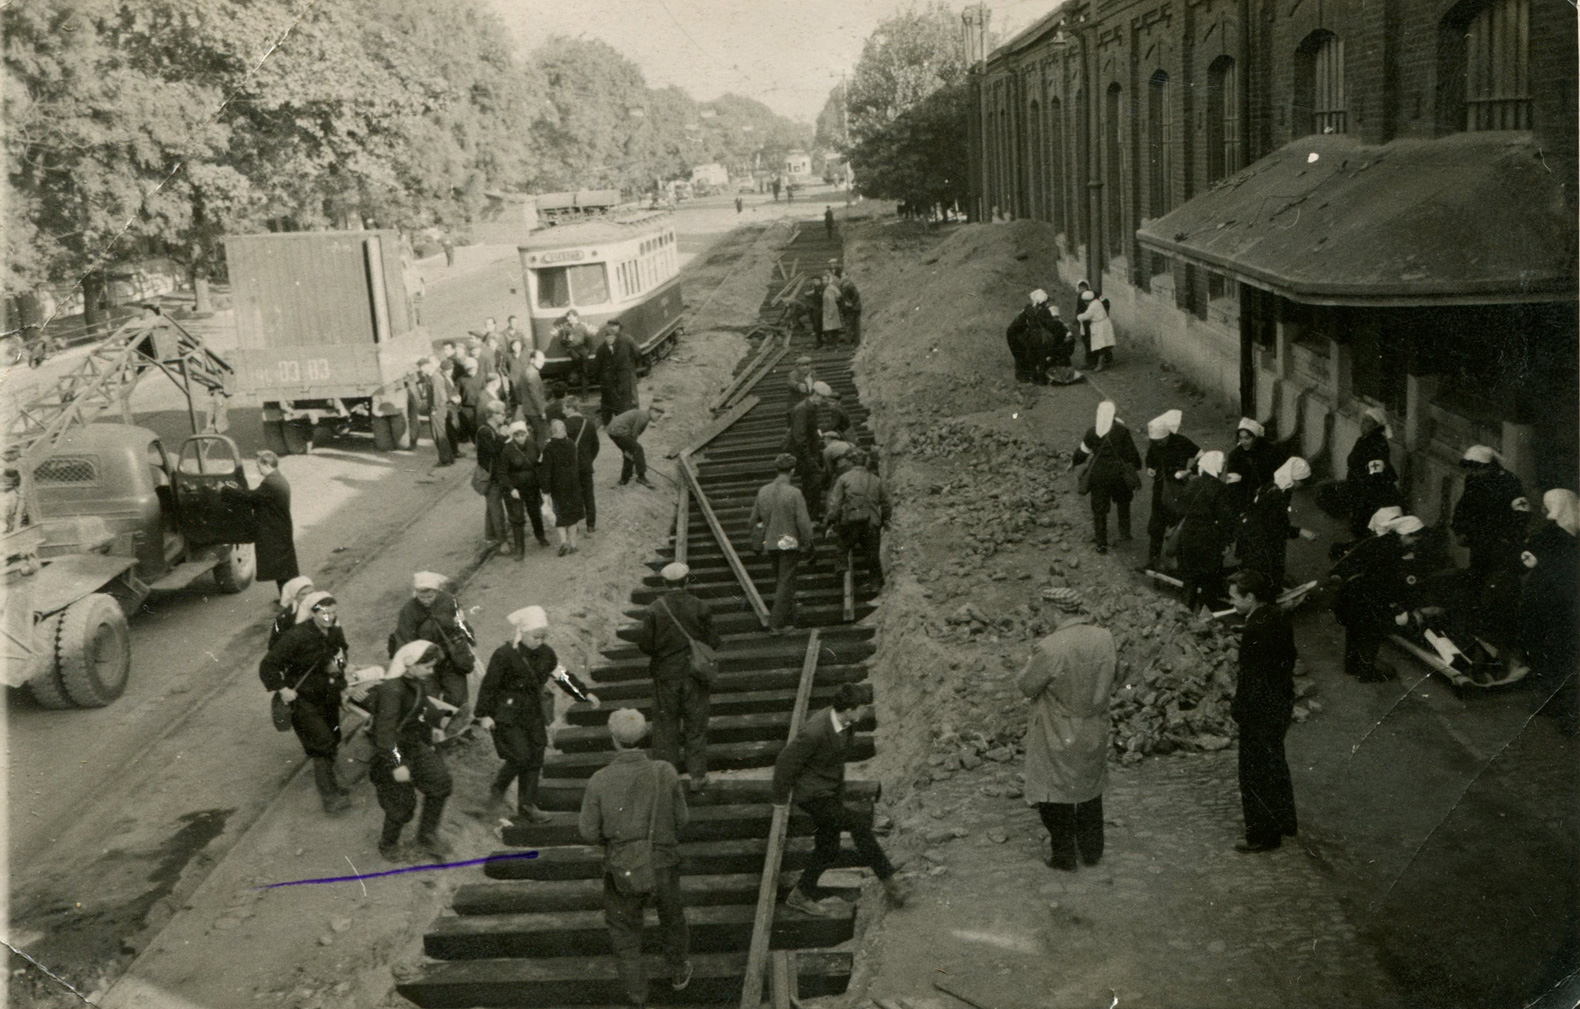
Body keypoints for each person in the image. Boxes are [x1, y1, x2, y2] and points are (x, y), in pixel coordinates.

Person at [579, 709, 694, 1002]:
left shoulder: (599, 780)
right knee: (672, 917)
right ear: (644, 736)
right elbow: (682, 819)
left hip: (623, 868)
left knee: (624, 932)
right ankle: (679, 970)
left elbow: (589, 833)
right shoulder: (665, 771)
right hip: (663, 864)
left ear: (614, 739)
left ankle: (637, 995)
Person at [773, 683, 907, 915]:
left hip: (830, 791)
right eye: (862, 708)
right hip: (812, 795)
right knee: (858, 824)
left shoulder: (847, 722)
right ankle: (891, 884)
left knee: (828, 849)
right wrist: (780, 799)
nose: (865, 712)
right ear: (849, 709)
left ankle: (800, 895)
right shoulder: (815, 730)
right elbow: (785, 762)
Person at [1020, 587, 1115, 870]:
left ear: (1057, 610)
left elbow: (1027, 685)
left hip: (1057, 728)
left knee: (1054, 793)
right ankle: (1091, 850)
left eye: (1046, 610)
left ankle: (1064, 856)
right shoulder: (1104, 638)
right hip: (1093, 725)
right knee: (1089, 789)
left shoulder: (1051, 647)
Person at [477, 605, 593, 822]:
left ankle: (527, 806)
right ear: (522, 633)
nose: (539, 641)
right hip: (507, 713)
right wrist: (484, 714)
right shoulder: (504, 655)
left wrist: (583, 694)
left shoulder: (546, 653)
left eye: (543, 637)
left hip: (532, 712)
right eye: (535, 637)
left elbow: (562, 676)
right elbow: (489, 685)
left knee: (536, 755)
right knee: (520, 755)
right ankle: (499, 788)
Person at [259, 591, 351, 814]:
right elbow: (268, 665)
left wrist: (337, 665)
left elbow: (342, 652)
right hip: (303, 699)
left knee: (332, 738)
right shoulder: (297, 636)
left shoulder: (334, 631)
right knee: (322, 743)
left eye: (333, 612)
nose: (329, 617)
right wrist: (282, 689)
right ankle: (329, 798)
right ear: (312, 613)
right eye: (324, 613)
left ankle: (334, 786)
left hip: (327, 695)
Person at [1228, 570, 1299, 853]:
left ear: (1250, 597)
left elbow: (1251, 678)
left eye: (1235, 597)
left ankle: (1262, 834)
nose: (1231, 602)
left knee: (1254, 772)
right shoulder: (1276, 616)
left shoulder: (1255, 629)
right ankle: (1285, 821)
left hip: (1259, 710)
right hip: (1280, 702)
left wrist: (1239, 708)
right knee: (1275, 763)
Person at [635, 563, 722, 791]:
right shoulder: (700, 606)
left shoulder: (654, 609)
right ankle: (697, 776)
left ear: (665, 583)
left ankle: (667, 778)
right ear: (687, 581)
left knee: (665, 727)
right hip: (695, 675)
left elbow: (645, 645)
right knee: (696, 724)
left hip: (666, 676)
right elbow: (713, 642)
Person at [370, 641, 454, 860]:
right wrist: (397, 764)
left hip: (414, 745)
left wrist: (440, 722)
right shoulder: (392, 690)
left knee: (440, 783)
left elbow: (422, 706)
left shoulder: (415, 681)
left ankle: (426, 835)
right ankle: (388, 844)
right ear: (410, 664)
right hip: (393, 753)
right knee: (401, 806)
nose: (431, 671)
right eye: (427, 666)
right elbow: (385, 734)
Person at [1451, 446, 1528, 646]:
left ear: (1490, 467)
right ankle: (1476, 632)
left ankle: (1499, 636)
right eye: (1471, 469)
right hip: (1479, 544)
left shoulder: (1509, 483)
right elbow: (1463, 507)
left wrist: (1508, 539)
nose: (1474, 473)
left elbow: (1521, 515)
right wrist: (1459, 530)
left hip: (1500, 546)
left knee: (1498, 589)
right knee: (1476, 581)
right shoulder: (1473, 481)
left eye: (1478, 469)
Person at [1330, 512, 1419, 682]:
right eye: (1414, 539)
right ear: (1406, 536)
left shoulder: (1378, 542)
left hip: (1353, 592)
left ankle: (1352, 665)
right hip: (1369, 595)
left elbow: (1350, 561)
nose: (1415, 543)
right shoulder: (1393, 551)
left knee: (1355, 630)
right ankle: (1367, 671)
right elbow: (1389, 581)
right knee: (1371, 632)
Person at [1519, 490, 1578, 733]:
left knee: (1547, 650)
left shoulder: (1546, 535)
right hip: (1564, 601)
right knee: (1562, 652)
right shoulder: (1572, 536)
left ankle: (1554, 702)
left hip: (1543, 599)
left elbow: (1526, 563)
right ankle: (1562, 706)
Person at [391, 571, 477, 712]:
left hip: (451, 658)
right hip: (425, 662)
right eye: (421, 597)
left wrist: (470, 639)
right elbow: (405, 639)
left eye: (429, 596)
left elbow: (461, 622)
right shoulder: (408, 611)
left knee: (458, 699)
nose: (425, 600)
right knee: (430, 700)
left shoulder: (449, 601)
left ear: (437, 592)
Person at [750, 454, 816, 632]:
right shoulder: (794, 493)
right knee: (786, 582)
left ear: (776, 469)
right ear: (792, 471)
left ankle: (788, 617)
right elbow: (803, 522)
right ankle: (776, 624)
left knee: (781, 581)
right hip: (789, 543)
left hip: (771, 543)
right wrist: (808, 542)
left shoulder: (763, 491)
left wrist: (758, 541)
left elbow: (754, 520)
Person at [222, 450, 299, 593]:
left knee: (281, 569)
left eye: (259, 466)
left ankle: (288, 600)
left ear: (267, 464)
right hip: (279, 529)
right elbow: (256, 498)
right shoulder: (277, 479)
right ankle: (286, 598)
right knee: (283, 569)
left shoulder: (271, 483)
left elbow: (250, 498)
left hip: (274, 531)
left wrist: (230, 491)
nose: (258, 470)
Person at [1072, 401, 1141, 555]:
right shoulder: (1122, 431)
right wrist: (1136, 467)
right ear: (1114, 415)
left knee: (1099, 509)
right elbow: (1132, 454)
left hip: (1098, 475)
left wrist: (1073, 462)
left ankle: (1101, 543)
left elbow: (1081, 453)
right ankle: (1124, 533)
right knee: (1123, 502)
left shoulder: (1091, 432)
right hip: (1119, 475)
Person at [1239, 456, 1315, 588]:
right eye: (1301, 481)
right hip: (1263, 542)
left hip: (1253, 536)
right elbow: (1276, 526)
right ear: (1294, 479)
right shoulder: (1278, 496)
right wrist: (1300, 531)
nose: (1302, 484)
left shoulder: (1275, 486)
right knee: (1267, 572)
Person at [1175, 451, 1236, 611]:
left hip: (1188, 535)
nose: (1223, 469)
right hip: (1209, 538)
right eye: (1222, 465)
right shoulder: (1220, 489)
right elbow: (1226, 518)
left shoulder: (1191, 484)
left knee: (1189, 578)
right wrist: (1227, 541)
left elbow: (1179, 509)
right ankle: (1206, 616)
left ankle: (1185, 613)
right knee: (1209, 579)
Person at [1142, 410, 1199, 572]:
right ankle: (1153, 560)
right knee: (1156, 526)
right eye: (1155, 441)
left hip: (1179, 488)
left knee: (1179, 526)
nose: (1158, 444)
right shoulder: (1154, 445)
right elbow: (1150, 459)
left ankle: (1180, 564)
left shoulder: (1181, 442)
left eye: (1161, 441)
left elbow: (1202, 456)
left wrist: (1189, 471)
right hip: (1160, 489)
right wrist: (1150, 468)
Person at [825, 449, 889, 591]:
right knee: (872, 555)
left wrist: (832, 520)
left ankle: (841, 567)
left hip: (851, 521)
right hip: (871, 522)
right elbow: (885, 503)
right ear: (866, 462)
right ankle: (875, 584)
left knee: (843, 545)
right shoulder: (876, 480)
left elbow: (835, 503)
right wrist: (885, 520)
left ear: (851, 462)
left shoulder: (844, 479)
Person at [1344, 408, 1403, 540]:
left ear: (1376, 425)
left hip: (1369, 489)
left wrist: (1362, 490)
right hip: (1359, 486)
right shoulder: (1364, 439)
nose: (1362, 424)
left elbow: (1374, 475)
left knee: (1364, 521)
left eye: (1367, 422)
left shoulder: (1377, 443)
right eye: (1362, 420)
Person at [498, 421, 550, 556]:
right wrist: (511, 488)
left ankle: (541, 537)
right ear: (512, 436)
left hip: (532, 486)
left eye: (522, 435)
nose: (520, 438)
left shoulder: (532, 445)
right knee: (517, 518)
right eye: (517, 436)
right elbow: (502, 473)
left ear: (526, 434)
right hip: (516, 490)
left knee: (535, 513)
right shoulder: (507, 450)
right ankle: (520, 549)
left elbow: (539, 462)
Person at [540, 418, 585, 556]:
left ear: (552, 432)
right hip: (572, 484)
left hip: (557, 486)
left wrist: (545, 490)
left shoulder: (549, 448)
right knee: (573, 515)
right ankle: (573, 544)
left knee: (559, 515)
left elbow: (546, 471)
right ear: (564, 431)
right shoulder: (571, 444)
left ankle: (564, 542)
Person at [786, 384, 826, 521]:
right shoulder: (802, 409)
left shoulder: (810, 408)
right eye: (822, 398)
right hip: (804, 455)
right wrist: (809, 459)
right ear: (815, 395)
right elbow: (800, 438)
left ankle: (807, 517)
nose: (823, 402)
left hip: (810, 453)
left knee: (810, 485)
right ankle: (809, 518)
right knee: (813, 484)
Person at [1225, 418, 1277, 519]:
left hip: (1265, 491)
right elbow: (1233, 484)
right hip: (1244, 493)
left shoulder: (1267, 451)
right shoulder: (1235, 455)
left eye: (1247, 438)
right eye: (1240, 438)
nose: (1243, 442)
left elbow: (1273, 471)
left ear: (1254, 438)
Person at [563, 398, 600, 535]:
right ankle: (591, 525)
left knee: (571, 495)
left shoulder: (564, 425)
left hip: (569, 467)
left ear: (571, 408)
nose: (563, 410)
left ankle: (574, 525)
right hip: (585, 466)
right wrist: (588, 460)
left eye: (565, 408)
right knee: (588, 495)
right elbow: (596, 446)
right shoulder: (588, 424)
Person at [475, 402, 509, 549]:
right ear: (493, 415)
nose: (505, 416)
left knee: (491, 506)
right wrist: (502, 437)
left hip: (496, 474)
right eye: (502, 413)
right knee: (497, 509)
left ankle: (490, 537)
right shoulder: (484, 431)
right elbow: (494, 451)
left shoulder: (493, 429)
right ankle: (503, 542)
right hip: (490, 476)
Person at [597, 321, 640, 425]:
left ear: (619, 327)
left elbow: (637, 353)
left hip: (626, 371)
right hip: (622, 373)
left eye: (614, 326)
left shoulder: (627, 339)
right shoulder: (609, 345)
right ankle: (630, 415)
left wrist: (631, 365)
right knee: (627, 394)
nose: (612, 328)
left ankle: (633, 415)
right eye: (610, 326)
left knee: (631, 393)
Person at [1005, 290, 1051, 383]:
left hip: (1024, 334)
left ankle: (1029, 376)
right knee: (1035, 355)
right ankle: (1034, 378)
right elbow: (1048, 323)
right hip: (1029, 335)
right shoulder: (1041, 310)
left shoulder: (1029, 309)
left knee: (1028, 355)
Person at [421, 358, 457, 466]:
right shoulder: (430, 376)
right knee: (440, 434)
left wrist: (434, 409)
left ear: (428, 365)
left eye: (423, 366)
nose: (421, 369)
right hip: (437, 409)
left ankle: (445, 460)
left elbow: (438, 395)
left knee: (439, 435)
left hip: (437, 409)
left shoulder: (435, 377)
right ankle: (449, 458)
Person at [552, 310, 596, 396]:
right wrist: (568, 340)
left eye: (570, 317)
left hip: (582, 349)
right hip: (572, 349)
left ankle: (584, 396)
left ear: (576, 317)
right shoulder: (566, 327)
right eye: (568, 317)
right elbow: (563, 342)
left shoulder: (582, 327)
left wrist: (587, 350)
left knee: (584, 370)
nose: (568, 319)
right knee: (584, 368)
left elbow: (588, 341)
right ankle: (578, 371)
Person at [608, 406, 653, 488]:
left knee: (629, 452)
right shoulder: (644, 417)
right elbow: (634, 434)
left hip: (612, 430)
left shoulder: (642, 415)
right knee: (637, 449)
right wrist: (635, 453)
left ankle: (624, 479)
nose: (659, 418)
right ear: (652, 411)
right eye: (659, 415)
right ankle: (641, 477)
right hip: (619, 430)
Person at [270, 575, 314, 648]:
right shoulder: (285, 617)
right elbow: (275, 646)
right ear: (295, 596)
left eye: (311, 592)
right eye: (303, 594)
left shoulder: (321, 608)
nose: (308, 597)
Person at [1076, 289, 1116, 371]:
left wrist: (1079, 317)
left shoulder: (1093, 306)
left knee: (1100, 346)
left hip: (1100, 326)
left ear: (1087, 300)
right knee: (1102, 344)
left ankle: (1100, 365)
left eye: (1085, 301)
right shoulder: (1097, 302)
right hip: (1103, 325)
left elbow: (1087, 316)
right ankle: (1104, 362)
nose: (1085, 303)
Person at [821, 272, 844, 346]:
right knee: (833, 327)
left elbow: (831, 301)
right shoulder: (829, 287)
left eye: (825, 280)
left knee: (831, 328)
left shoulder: (830, 289)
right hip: (831, 309)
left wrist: (830, 312)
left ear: (828, 280)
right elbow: (838, 295)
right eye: (823, 280)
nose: (824, 281)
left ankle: (833, 344)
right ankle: (834, 343)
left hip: (830, 310)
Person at [839, 276, 862, 346]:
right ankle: (856, 342)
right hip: (856, 308)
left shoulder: (849, 286)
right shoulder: (850, 286)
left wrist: (851, 303)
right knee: (856, 326)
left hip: (852, 309)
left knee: (849, 325)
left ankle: (848, 341)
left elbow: (856, 294)